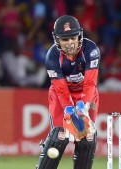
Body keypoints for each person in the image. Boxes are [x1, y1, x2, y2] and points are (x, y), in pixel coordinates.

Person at [35, 15, 100, 169]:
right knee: (59, 136)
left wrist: (83, 107)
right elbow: (60, 89)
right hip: (60, 96)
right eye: (65, 40)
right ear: (57, 40)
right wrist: (69, 109)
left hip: (86, 93)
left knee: (87, 137)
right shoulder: (52, 56)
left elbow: (90, 83)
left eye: (73, 38)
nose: (70, 43)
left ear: (80, 36)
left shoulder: (91, 51)